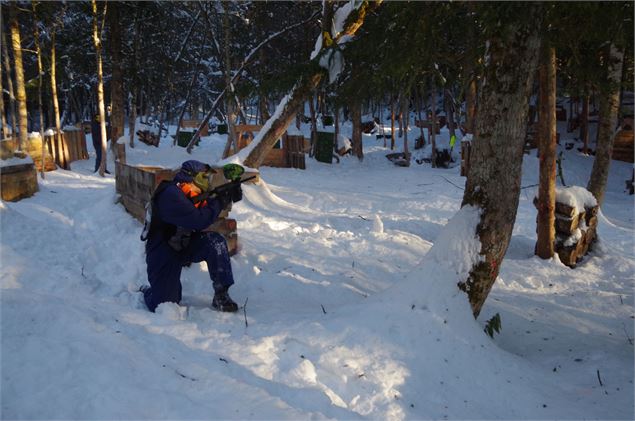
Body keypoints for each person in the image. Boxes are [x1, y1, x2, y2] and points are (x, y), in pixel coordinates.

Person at [141, 160, 242, 312]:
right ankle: (149, 291)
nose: (208, 181)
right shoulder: (171, 195)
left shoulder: (190, 192)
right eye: (205, 177)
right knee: (165, 303)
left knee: (215, 243)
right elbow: (198, 220)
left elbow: (209, 206)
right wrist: (219, 201)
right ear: (193, 178)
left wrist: (229, 194)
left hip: (184, 243)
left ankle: (221, 294)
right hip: (163, 250)